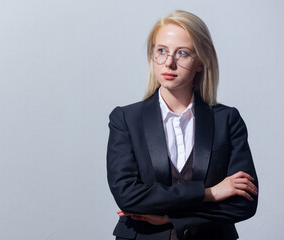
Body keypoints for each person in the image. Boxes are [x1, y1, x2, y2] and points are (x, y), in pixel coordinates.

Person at [107, 10, 258, 240]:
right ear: (152, 56)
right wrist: (209, 193)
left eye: (183, 53)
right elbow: (128, 197)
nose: (169, 62)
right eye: (162, 51)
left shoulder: (227, 120)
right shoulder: (125, 120)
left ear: (200, 62)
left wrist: (172, 218)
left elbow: (244, 204)